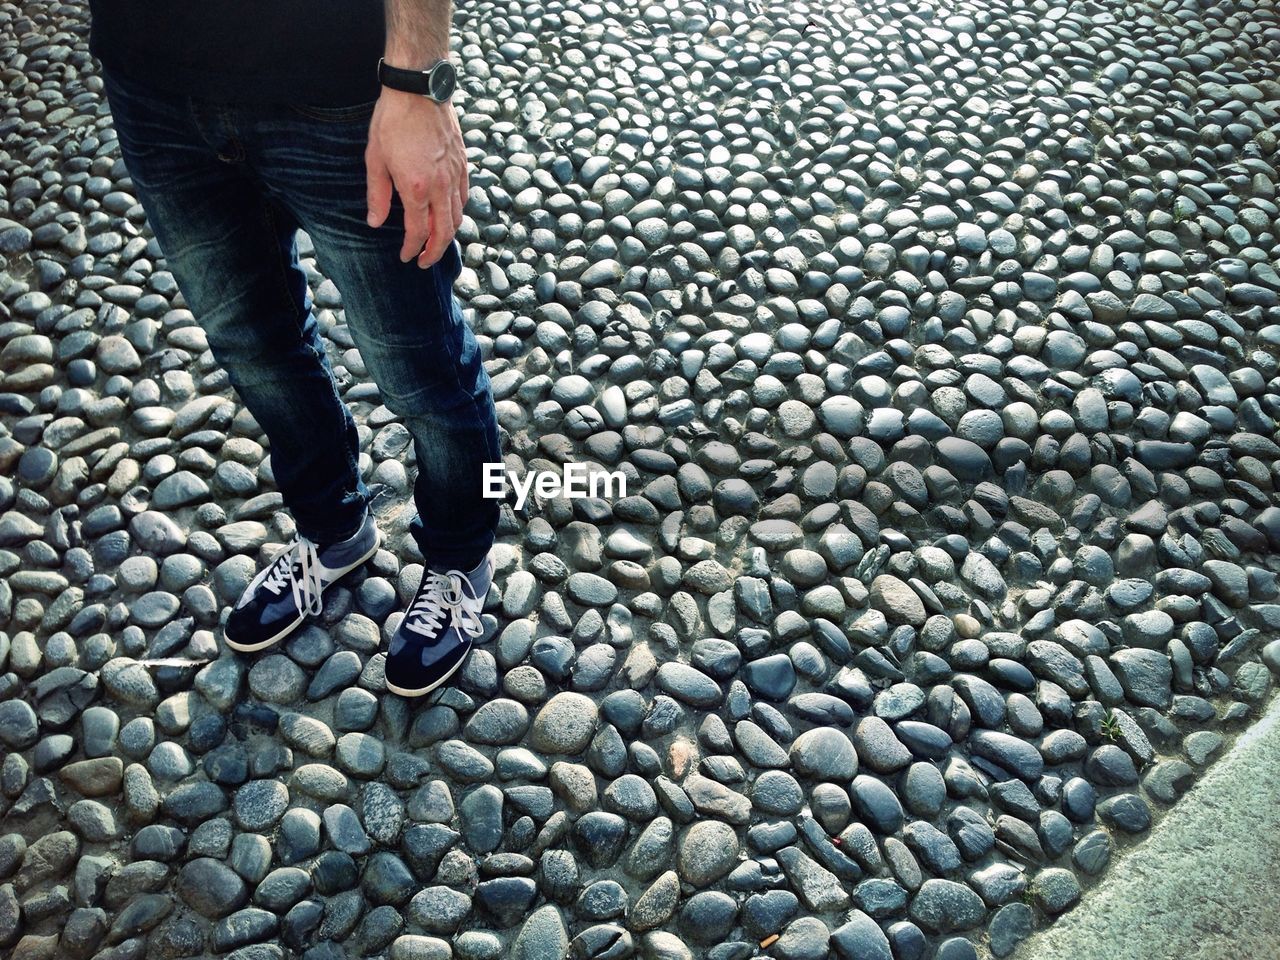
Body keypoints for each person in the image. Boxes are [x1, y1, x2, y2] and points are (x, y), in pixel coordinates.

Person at [86, 0, 500, 698]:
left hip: (339, 86)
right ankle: (333, 528)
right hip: (149, 78)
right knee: (253, 343)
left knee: (417, 365)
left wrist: (417, 81)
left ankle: (461, 557)